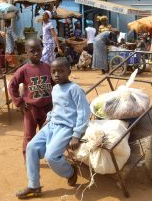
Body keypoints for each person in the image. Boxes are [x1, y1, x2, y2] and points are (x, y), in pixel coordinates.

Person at [16, 57, 91, 199]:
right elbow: (56, 107)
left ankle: (70, 172)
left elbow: (83, 112)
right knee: (31, 147)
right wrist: (49, 118)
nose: (57, 74)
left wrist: (76, 134)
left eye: (61, 71)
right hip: (52, 125)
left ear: (69, 71)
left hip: (66, 127)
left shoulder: (75, 89)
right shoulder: (55, 88)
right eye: (54, 72)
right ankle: (34, 185)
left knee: (51, 156)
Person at [8, 38, 53, 157]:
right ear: (26, 52)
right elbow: (12, 86)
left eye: (39, 50)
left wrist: (55, 101)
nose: (36, 53)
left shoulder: (48, 67)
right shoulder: (23, 70)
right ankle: (28, 158)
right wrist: (20, 102)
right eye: (33, 51)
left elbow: (55, 83)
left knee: (48, 133)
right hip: (31, 108)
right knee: (29, 135)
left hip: (48, 108)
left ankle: (49, 155)